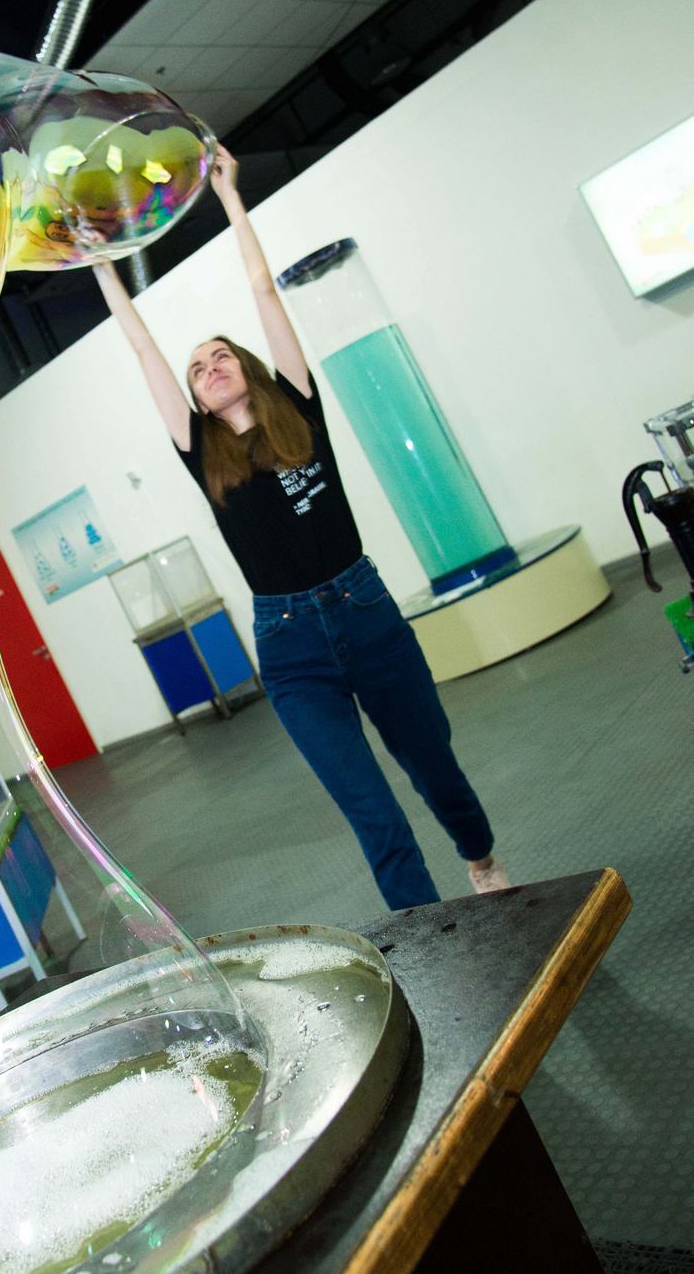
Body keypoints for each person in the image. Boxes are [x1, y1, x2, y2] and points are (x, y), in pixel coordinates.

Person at [92, 146, 509, 912]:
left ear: (248, 368)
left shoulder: (298, 408)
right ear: (195, 398)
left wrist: (231, 197)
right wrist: (103, 269)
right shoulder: (200, 451)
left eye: (221, 356)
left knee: (434, 767)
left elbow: (262, 289)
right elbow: (142, 347)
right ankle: (432, 933)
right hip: (289, 649)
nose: (209, 367)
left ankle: (482, 860)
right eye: (197, 369)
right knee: (372, 812)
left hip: (367, 613)